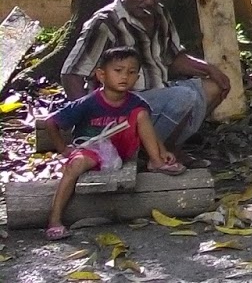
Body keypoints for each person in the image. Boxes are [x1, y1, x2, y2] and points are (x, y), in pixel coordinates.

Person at [61, 0, 231, 165]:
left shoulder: (160, 14)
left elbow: (174, 58)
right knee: (184, 98)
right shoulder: (105, 22)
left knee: (215, 87)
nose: (149, 1)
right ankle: (151, 155)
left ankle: (168, 147)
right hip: (122, 107)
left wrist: (210, 69)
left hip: (158, 94)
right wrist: (85, 119)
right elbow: (71, 72)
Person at [38, 46, 183, 239]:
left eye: (131, 72)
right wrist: (64, 150)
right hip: (92, 149)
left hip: (122, 149)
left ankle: (156, 162)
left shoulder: (136, 103)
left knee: (140, 114)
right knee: (74, 166)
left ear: (137, 77)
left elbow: (150, 130)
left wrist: (162, 151)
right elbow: (51, 122)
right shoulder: (89, 103)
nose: (125, 77)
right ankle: (54, 221)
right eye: (118, 71)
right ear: (101, 75)